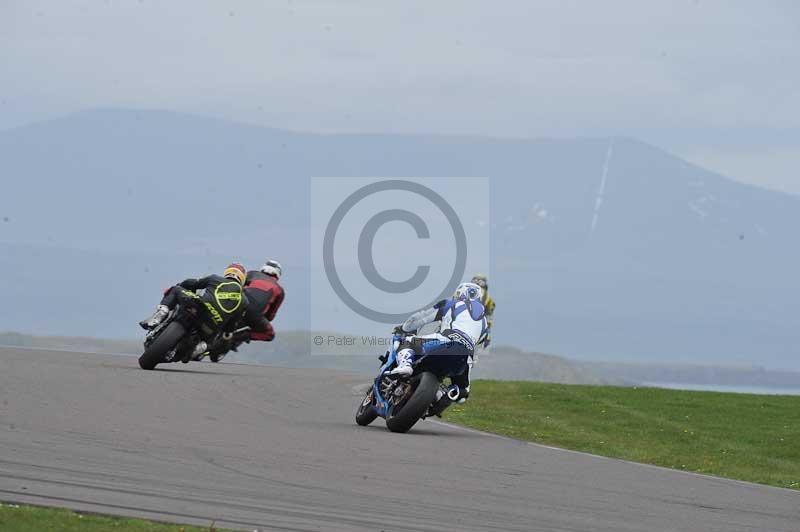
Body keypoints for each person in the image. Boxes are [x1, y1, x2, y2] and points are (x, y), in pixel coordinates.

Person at [139, 263, 269, 360]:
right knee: (213, 340)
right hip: (212, 327)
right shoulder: (244, 301)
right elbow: (231, 326)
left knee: (175, 289)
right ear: (242, 279)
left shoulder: (215, 278)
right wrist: (224, 334)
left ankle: (160, 314)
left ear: (227, 273)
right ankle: (199, 348)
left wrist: (182, 286)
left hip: (200, 306)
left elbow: (191, 283)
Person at [389, 281, 488, 404]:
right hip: (465, 356)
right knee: (462, 394)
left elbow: (422, 317)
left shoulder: (451, 303)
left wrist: (405, 327)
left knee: (407, 341)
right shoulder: (485, 322)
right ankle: (440, 397)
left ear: (460, 293)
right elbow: (480, 344)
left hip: (447, 340)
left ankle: (405, 366)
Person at [204, 259, 285, 361]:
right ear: (277, 274)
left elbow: (235, 285)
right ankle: (238, 336)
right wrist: (261, 321)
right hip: (255, 315)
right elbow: (271, 315)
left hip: (238, 304)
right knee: (269, 334)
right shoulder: (279, 290)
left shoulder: (251, 274)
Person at [471, 273, 495, 348]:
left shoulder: (487, 298)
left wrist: (487, 332)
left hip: (477, 325)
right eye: (476, 280)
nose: (478, 282)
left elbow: (489, 315)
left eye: (480, 281)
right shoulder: (465, 291)